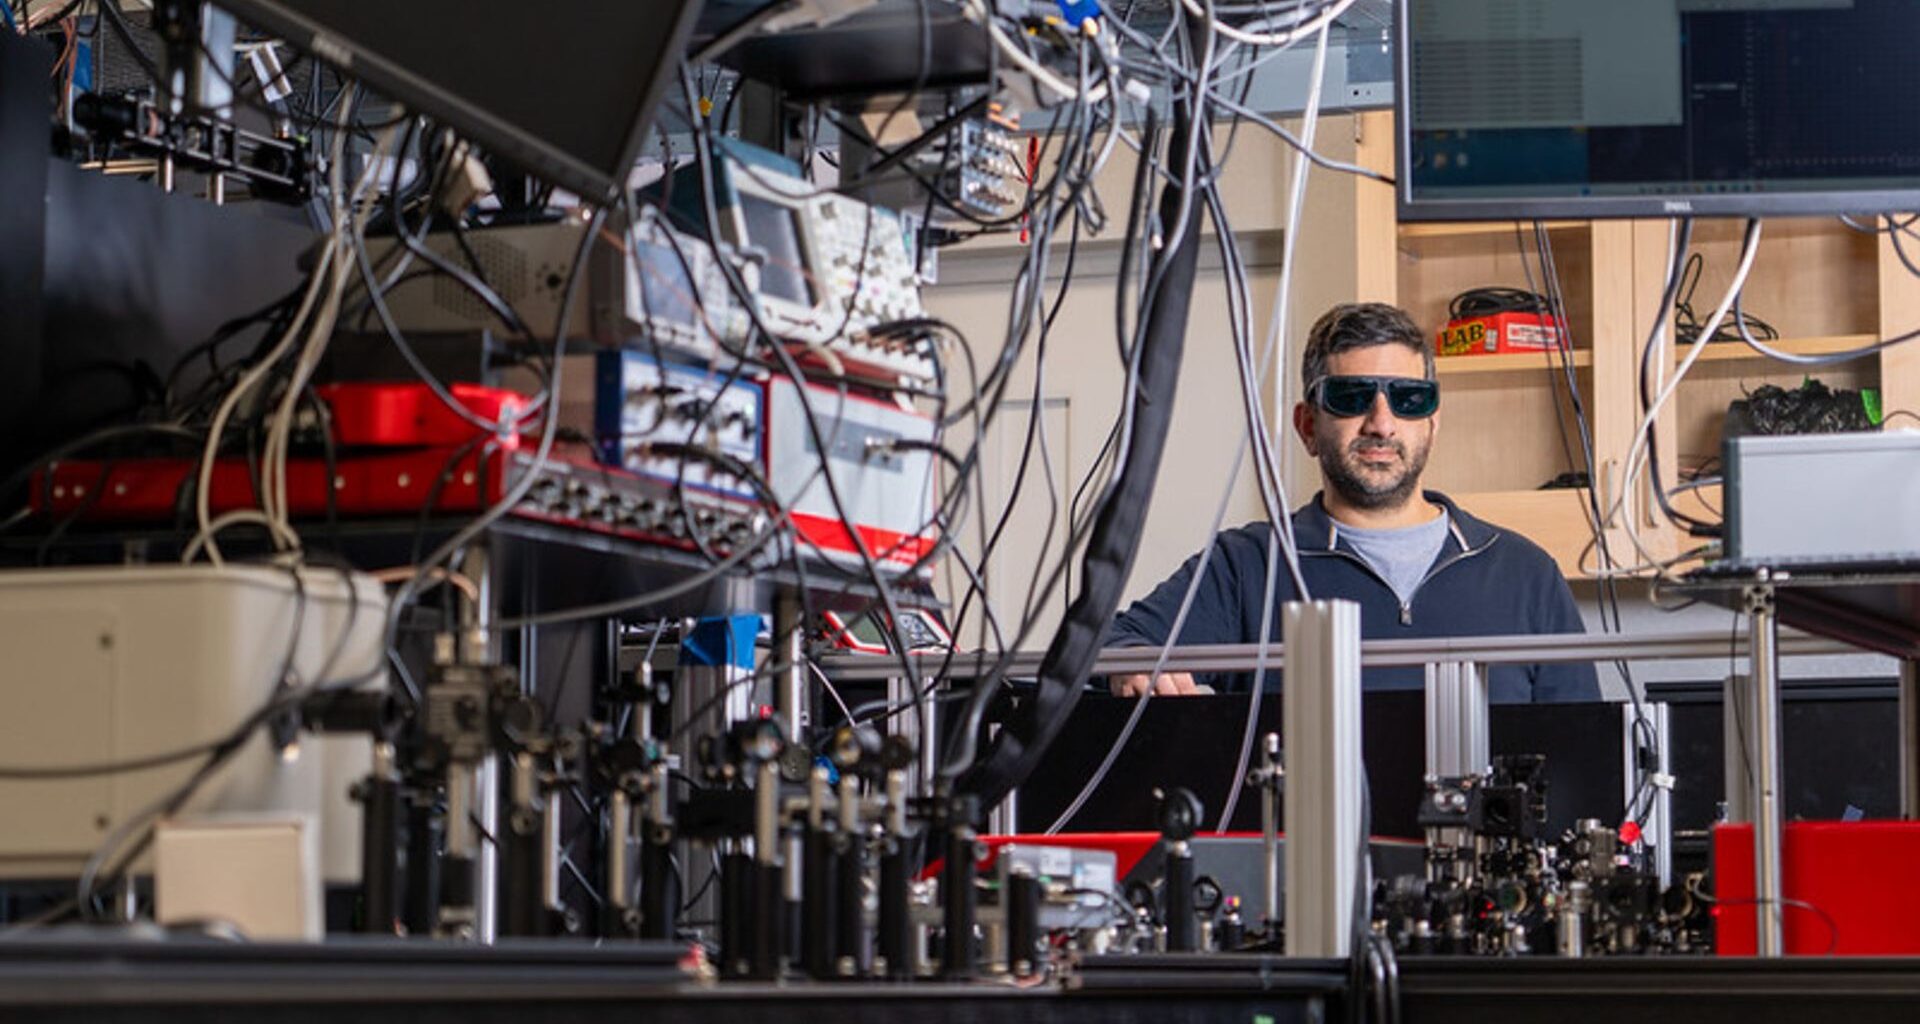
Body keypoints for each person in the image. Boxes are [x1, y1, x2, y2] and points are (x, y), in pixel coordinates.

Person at [1106, 302, 1600, 702]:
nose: (1381, 423)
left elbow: (1582, 753)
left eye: (1408, 399)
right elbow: (1109, 648)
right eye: (1352, 396)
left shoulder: (1523, 573)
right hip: (1307, 828)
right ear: (1308, 427)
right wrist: (1134, 665)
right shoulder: (1248, 566)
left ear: (1433, 421)